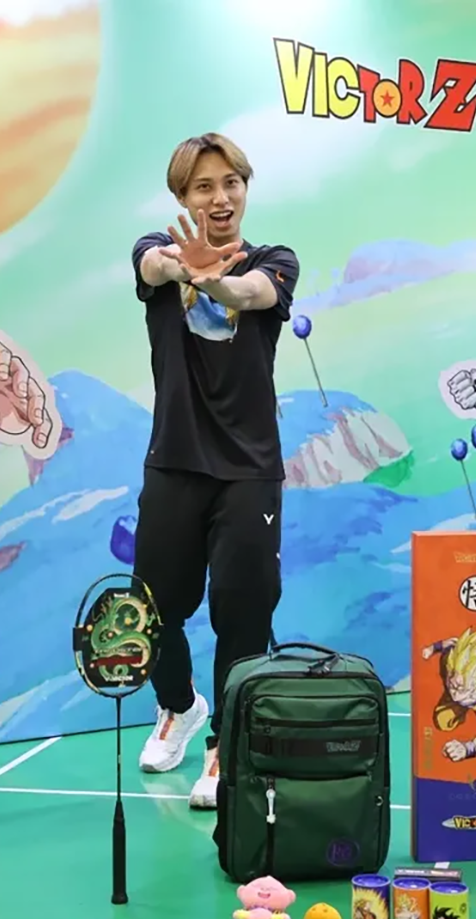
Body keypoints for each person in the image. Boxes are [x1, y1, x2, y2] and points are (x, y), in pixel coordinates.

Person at [130, 132, 299, 808]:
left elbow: (251, 294)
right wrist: (182, 266)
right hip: (174, 461)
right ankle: (179, 706)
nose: (220, 197)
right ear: (183, 197)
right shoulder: (157, 250)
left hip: (249, 470)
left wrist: (213, 280)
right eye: (204, 186)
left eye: (231, 182)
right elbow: (152, 267)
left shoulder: (274, 261)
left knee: (244, 614)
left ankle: (226, 743)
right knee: (151, 613)